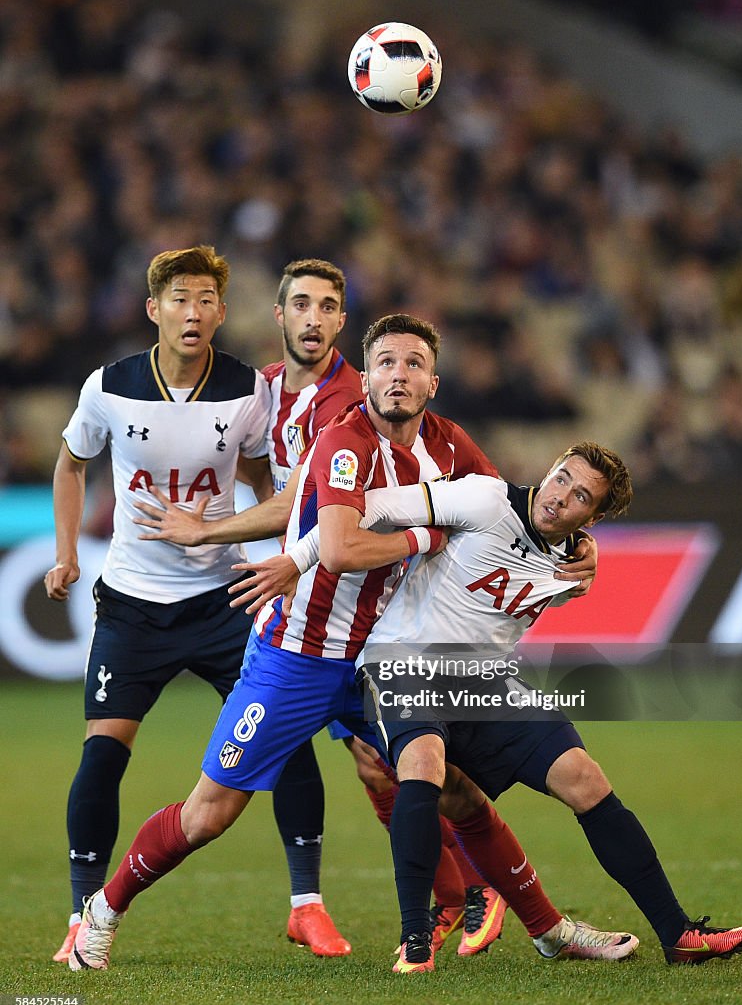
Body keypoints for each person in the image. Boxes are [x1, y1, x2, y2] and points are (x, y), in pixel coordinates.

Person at [66, 314, 634, 974]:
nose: (400, 374)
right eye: (387, 363)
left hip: (383, 658)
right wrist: (426, 538)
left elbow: (517, 509)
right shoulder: (345, 441)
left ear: (432, 381)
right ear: (367, 379)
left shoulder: (451, 447)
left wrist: (577, 547)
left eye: (414, 364)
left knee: (454, 789)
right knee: (210, 813)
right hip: (299, 657)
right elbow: (340, 550)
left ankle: (548, 927)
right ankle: (103, 913)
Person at [133, 257, 509, 956]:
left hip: (358, 608)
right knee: (373, 763)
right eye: (300, 303)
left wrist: (211, 528)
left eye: (328, 306)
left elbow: (301, 500)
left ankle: (467, 892)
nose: (312, 317)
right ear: (279, 315)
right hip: (300, 602)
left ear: (342, 322)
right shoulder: (265, 389)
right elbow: (268, 472)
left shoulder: (350, 405)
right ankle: (438, 895)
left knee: (398, 760)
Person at [290, 441, 742, 971]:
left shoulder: (572, 566)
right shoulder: (484, 500)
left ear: (595, 517)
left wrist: (587, 557)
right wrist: (297, 558)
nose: (560, 497)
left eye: (580, 495)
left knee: (585, 779)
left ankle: (678, 935)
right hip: (402, 664)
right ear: (549, 467)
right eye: (561, 477)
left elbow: (554, 573)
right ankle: (415, 942)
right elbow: (372, 507)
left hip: (485, 681)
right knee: (423, 767)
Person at [44, 246, 347, 964]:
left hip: (222, 598)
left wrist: (275, 544)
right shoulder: (109, 387)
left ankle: (308, 905)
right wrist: (66, 554)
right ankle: (80, 912)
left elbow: (267, 477)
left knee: (287, 734)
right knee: (103, 753)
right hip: (133, 605)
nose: (194, 311)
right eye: (180, 297)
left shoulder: (248, 390)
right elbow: (70, 462)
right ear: (155, 309)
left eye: (208, 298)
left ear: (220, 310)